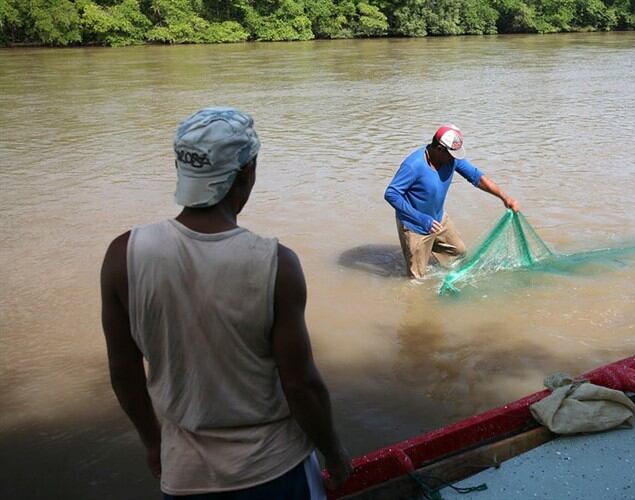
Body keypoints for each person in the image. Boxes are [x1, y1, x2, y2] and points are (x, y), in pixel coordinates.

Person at [100, 107, 352, 499]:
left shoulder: (123, 255)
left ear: (183, 170)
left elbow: (123, 373)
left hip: (185, 475)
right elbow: (301, 386)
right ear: (247, 173)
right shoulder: (275, 264)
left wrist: (154, 444)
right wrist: (335, 454)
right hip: (275, 469)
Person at [384, 124, 521, 278]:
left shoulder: (451, 159)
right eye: (451, 154)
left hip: (439, 219)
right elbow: (391, 194)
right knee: (417, 279)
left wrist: (505, 197)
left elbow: (477, 177)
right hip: (415, 225)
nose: (455, 158)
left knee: (459, 252)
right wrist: (421, 219)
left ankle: (434, 260)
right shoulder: (413, 166)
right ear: (439, 149)